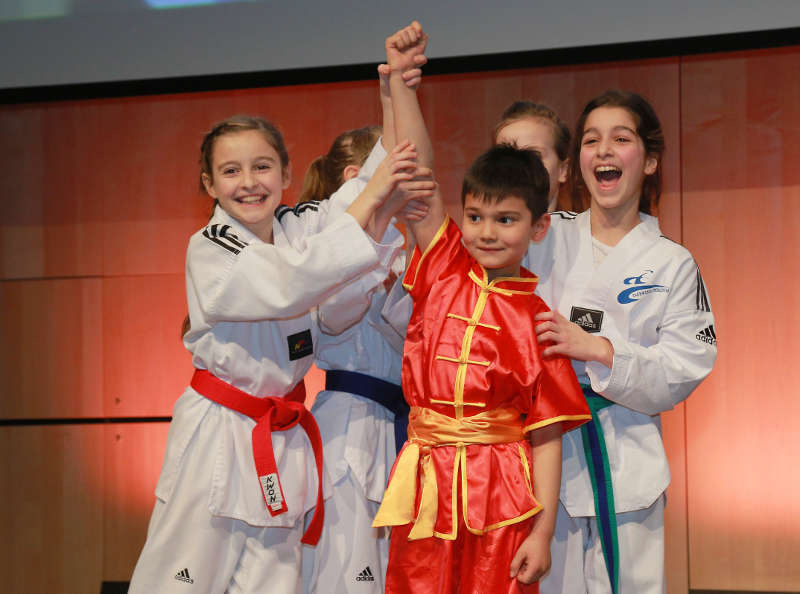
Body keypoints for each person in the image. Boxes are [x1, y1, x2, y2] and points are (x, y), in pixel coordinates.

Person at [128, 114, 429, 594]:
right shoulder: (210, 246)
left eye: (262, 167)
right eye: (231, 171)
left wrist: (395, 87)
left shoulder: (297, 227)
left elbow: (369, 182)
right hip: (220, 433)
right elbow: (289, 282)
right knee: (181, 583)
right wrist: (373, 196)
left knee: (273, 584)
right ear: (208, 183)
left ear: (286, 175)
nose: (249, 183)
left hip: (283, 438)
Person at [372, 22, 591, 594]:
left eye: (506, 219)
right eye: (475, 217)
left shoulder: (538, 321)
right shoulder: (444, 264)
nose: (486, 232)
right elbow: (415, 174)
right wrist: (401, 82)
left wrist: (542, 533)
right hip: (425, 482)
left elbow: (546, 437)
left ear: (538, 226)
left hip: (503, 494)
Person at [528, 90, 718, 594]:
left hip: (628, 463)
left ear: (650, 160)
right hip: (544, 462)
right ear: (576, 163)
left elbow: (685, 365)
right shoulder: (544, 237)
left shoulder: (672, 262)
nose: (604, 151)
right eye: (591, 141)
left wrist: (601, 351)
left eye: (621, 139)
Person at [301, 66, 429, 594]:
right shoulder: (326, 247)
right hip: (349, 426)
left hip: (406, 425)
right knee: (345, 573)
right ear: (358, 177)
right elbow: (330, 316)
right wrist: (376, 269)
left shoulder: (409, 250)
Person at [493, 100, 571, 212]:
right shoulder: (478, 228)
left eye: (534, 155)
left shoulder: (581, 228)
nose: (519, 167)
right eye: (506, 157)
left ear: (563, 170)